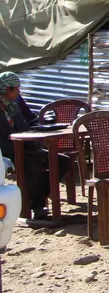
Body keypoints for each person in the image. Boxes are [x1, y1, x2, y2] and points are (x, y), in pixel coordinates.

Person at [0, 71, 69, 219]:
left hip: (25, 147)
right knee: (33, 164)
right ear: (7, 89)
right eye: (16, 89)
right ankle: (38, 207)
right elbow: (4, 142)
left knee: (62, 161)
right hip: (8, 152)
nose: (18, 92)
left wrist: (42, 129)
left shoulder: (12, 106)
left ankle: (32, 199)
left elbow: (25, 126)